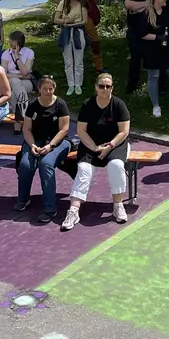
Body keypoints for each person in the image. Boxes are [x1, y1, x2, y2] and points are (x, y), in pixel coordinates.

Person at [61, 73, 132, 230]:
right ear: (96, 88)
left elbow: (124, 132)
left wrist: (109, 146)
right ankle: (73, 210)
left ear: (112, 88)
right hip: (90, 144)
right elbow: (81, 130)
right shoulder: (88, 104)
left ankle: (118, 205)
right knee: (84, 169)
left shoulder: (119, 105)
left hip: (115, 143)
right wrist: (94, 147)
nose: (105, 89)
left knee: (116, 165)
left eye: (108, 86)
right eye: (101, 86)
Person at [15, 76, 72, 224]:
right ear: (39, 89)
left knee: (46, 164)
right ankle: (23, 199)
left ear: (54, 89)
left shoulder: (60, 104)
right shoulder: (33, 105)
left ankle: (50, 208)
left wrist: (50, 146)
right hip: (36, 139)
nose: (48, 91)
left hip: (58, 141)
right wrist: (32, 144)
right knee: (26, 164)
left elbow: (64, 129)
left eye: (50, 88)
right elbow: (26, 128)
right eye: (45, 88)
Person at [50, 0, 103, 73]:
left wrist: (94, 2)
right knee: (69, 41)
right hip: (70, 15)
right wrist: (61, 4)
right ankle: (72, 66)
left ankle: (99, 66)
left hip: (85, 13)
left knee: (95, 40)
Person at [140, 0, 169, 117]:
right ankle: (156, 106)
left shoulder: (168, 11)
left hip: (168, 50)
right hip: (152, 51)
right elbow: (142, 34)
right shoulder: (146, 13)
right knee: (154, 77)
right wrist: (157, 37)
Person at [122, 0, 153, 96]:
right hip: (134, 29)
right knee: (135, 58)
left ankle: (155, 87)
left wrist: (137, 7)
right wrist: (147, 4)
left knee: (152, 58)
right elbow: (129, 5)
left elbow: (156, 4)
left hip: (151, 29)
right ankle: (132, 86)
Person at [55, 0, 90, 95]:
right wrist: (65, 22)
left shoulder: (82, 4)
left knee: (78, 60)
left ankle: (78, 85)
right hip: (66, 33)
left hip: (78, 32)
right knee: (68, 61)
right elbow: (56, 19)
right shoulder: (63, 3)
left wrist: (73, 23)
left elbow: (84, 21)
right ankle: (71, 84)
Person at [1, 31, 36, 114]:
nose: (9, 41)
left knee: (13, 94)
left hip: (26, 82)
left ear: (18, 42)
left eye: (12, 40)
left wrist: (17, 57)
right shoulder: (6, 54)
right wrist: (20, 76)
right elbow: (3, 74)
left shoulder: (29, 53)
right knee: (15, 81)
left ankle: (16, 118)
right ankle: (26, 113)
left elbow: (24, 72)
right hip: (10, 81)